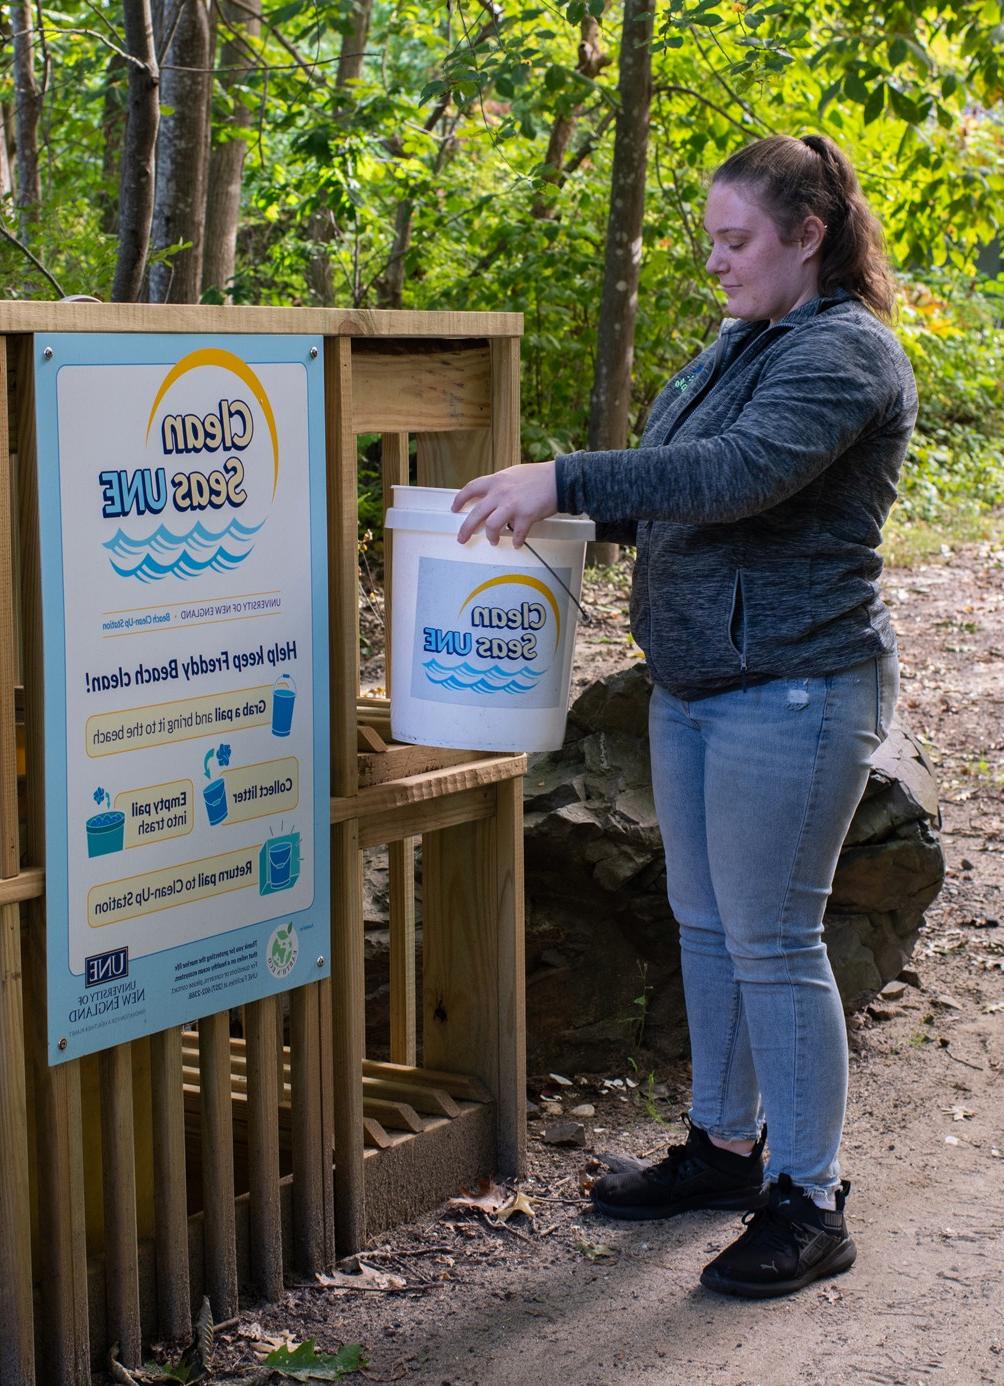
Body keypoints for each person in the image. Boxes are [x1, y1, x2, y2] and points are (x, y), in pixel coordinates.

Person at [452, 133, 918, 1299]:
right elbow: (672, 495)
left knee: (771, 939)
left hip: (796, 689)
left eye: (733, 240)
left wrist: (563, 477)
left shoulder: (845, 354)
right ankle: (722, 1148)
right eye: (708, 238)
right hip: (700, 687)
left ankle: (809, 1200)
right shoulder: (738, 343)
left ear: (807, 236)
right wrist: (545, 519)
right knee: (708, 928)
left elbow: (732, 476)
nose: (713, 262)